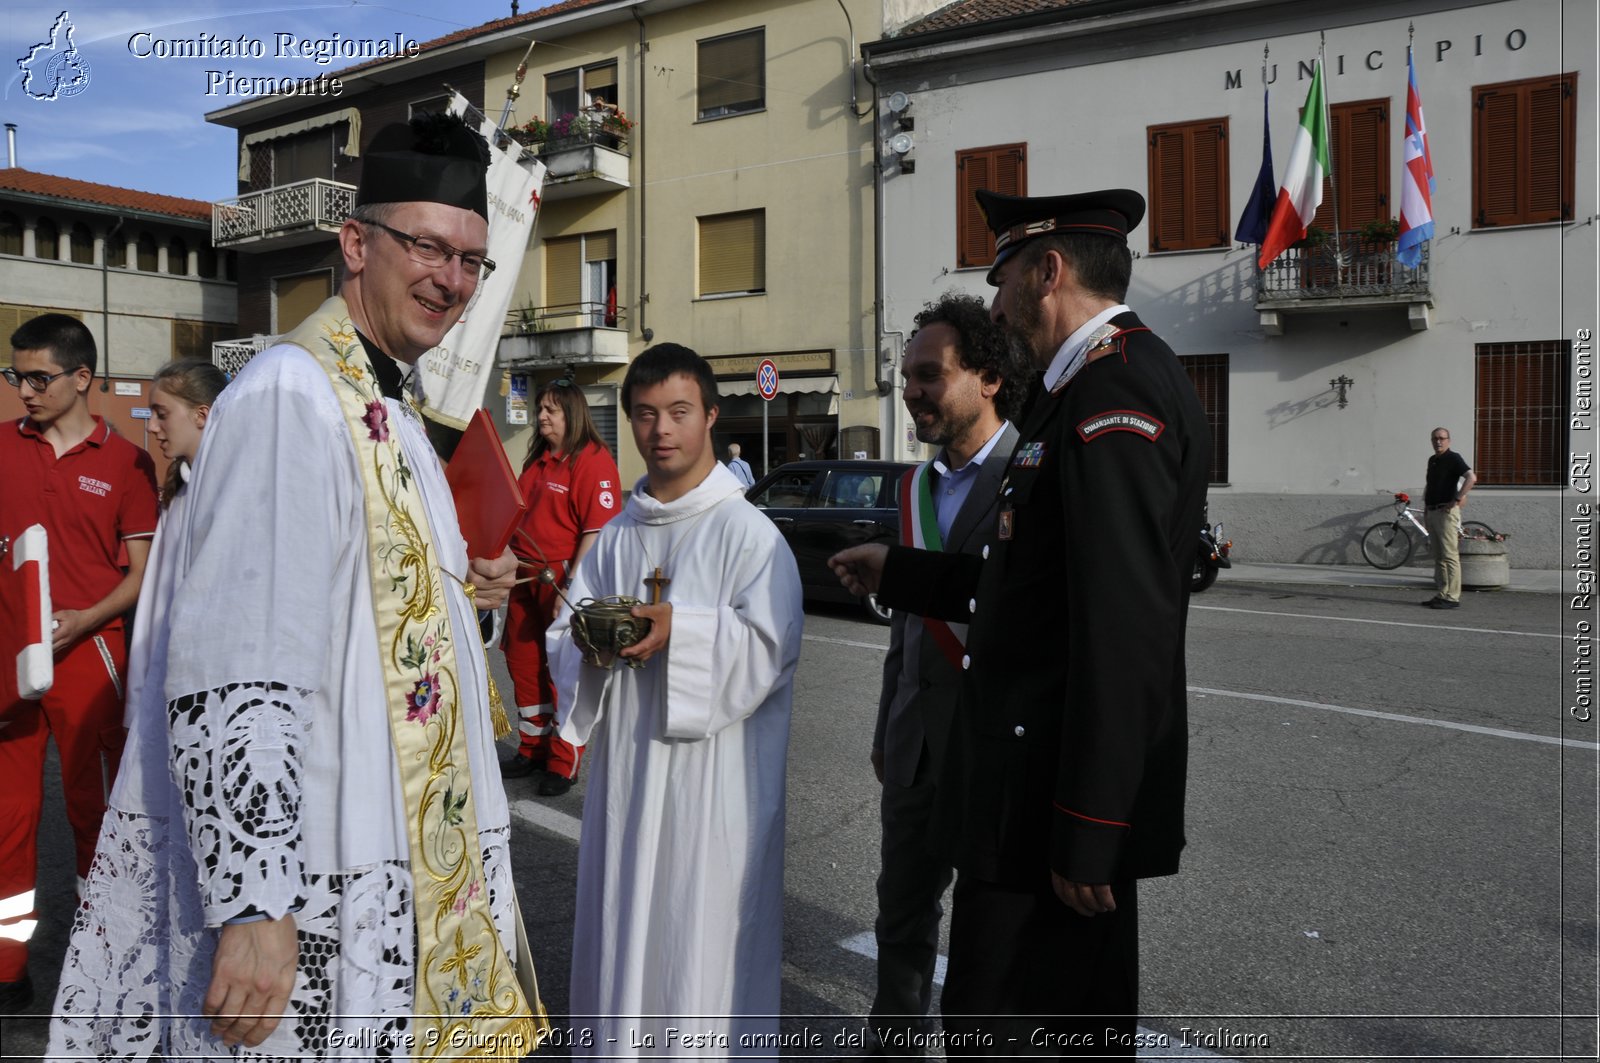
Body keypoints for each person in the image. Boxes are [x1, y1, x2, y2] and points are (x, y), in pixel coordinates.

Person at [50, 113, 546, 1058]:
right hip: (317, 870)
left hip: (398, 853)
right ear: (355, 243)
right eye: (428, 247)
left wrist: (459, 598)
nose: (452, 279)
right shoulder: (290, 393)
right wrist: (255, 905)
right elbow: (241, 656)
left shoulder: (391, 411)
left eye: (473, 260)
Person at [830, 189, 1208, 1056]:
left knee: (1018, 1024)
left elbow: (1121, 629)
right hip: (1024, 793)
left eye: (1002, 284)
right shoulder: (1081, 387)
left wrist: (1092, 827)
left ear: (1049, 270)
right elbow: (1030, 581)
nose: (998, 309)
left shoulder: (1112, 395)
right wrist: (907, 570)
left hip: (1049, 809)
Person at [547, 342, 803, 1057]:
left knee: (701, 936)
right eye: (645, 414)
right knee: (624, 922)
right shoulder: (616, 536)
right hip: (628, 782)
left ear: (712, 417)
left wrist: (680, 631)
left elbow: (770, 645)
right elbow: (565, 628)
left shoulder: (748, 534)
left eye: (679, 412)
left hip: (712, 788)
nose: (661, 429)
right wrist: (590, 646)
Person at [869, 293, 1024, 1054]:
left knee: (991, 931)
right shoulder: (911, 488)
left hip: (993, 745)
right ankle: (893, 1041)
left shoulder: (1031, 475)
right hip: (915, 746)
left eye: (931, 375)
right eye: (907, 378)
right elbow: (905, 629)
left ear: (989, 377)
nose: (913, 392)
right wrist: (883, 727)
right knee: (900, 913)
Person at [0, 314, 159, 1011]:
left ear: (82, 378)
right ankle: (8, 965)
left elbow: (142, 572)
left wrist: (85, 620)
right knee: (8, 817)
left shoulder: (126, 462)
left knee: (98, 816)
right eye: (16, 376)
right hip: (10, 660)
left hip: (91, 656)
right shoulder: (2, 446)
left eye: (38, 378)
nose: (25, 392)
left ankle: (104, 963)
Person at [500, 378, 621, 796]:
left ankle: (562, 760)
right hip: (524, 575)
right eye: (540, 409)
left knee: (565, 670)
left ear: (573, 413)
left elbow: (597, 532)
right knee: (523, 661)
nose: (542, 416)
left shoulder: (592, 460)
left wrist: (573, 589)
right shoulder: (538, 459)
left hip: (561, 580)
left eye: (551, 409)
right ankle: (532, 745)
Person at [1422, 427, 1476, 610]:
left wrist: (1457, 499)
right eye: (1435, 438)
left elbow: (1471, 477)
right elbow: (1430, 486)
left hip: (1446, 513)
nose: (1438, 441)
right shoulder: (1433, 460)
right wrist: (1426, 511)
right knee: (1438, 556)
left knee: (1450, 555)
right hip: (1433, 512)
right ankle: (1442, 593)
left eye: (1442, 438)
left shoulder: (1454, 458)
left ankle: (1452, 596)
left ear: (1448, 441)